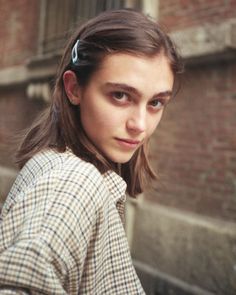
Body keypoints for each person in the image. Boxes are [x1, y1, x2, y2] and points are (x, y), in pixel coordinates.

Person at [0, 9, 183, 295]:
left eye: (156, 102)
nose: (140, 124)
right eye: (120, 95)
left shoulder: (62, 166)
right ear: (74, 88)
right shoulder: (72, 183)